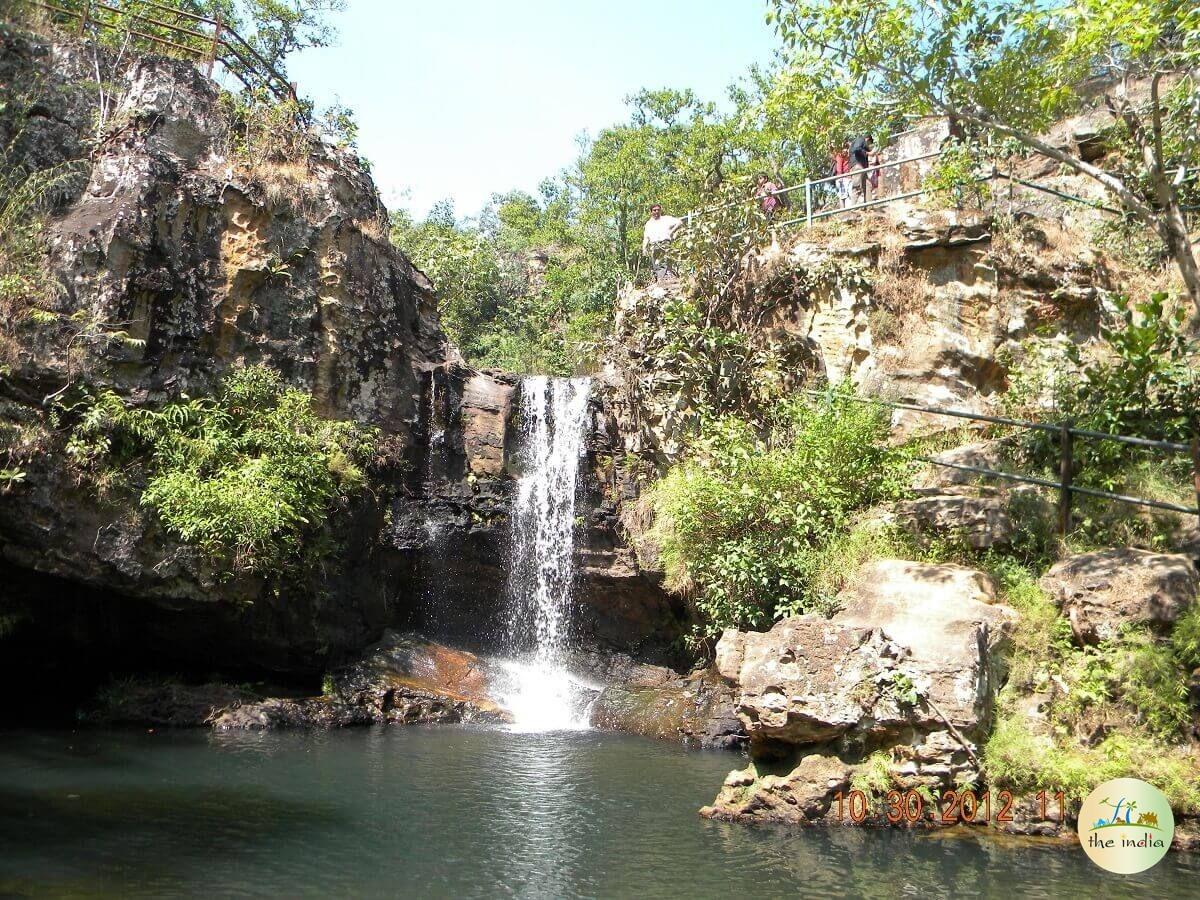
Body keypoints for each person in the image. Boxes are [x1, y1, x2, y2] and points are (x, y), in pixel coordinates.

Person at [641, 203, 683, 282]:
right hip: (654, 245)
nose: (656, 211)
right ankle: (659, 281)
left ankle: (665, 280)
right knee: (656, 265)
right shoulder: (649, 224)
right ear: (651, 212)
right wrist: (644, 248)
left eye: (658, 210)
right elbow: (646, 237)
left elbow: (679, 222)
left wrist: (671, 231)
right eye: (654, 210)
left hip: (664, 243)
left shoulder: (666, 219)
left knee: (665, 262)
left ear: (660, 211)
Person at [849, 134, 874, 206]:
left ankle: (869, 206)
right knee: (857, 186)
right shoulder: (860, 140)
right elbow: (857, 149)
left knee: (867, 185)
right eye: (869, 144)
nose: (868, 145)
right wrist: (868, 153)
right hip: (857, 165)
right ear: (867, 139)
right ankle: (853, 208)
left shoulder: (861, 142)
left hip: (862, 167)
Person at [831, 143, 852, 209]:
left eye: (847, 148)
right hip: (842, 178)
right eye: (845, 148)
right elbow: (839, 167)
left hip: (847, 177)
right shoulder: (839, 155)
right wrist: (840, 177)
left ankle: (848, 210)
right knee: (843, 195)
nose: (846, 150)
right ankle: (843, 211)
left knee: (848, 195)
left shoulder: (848, 156)